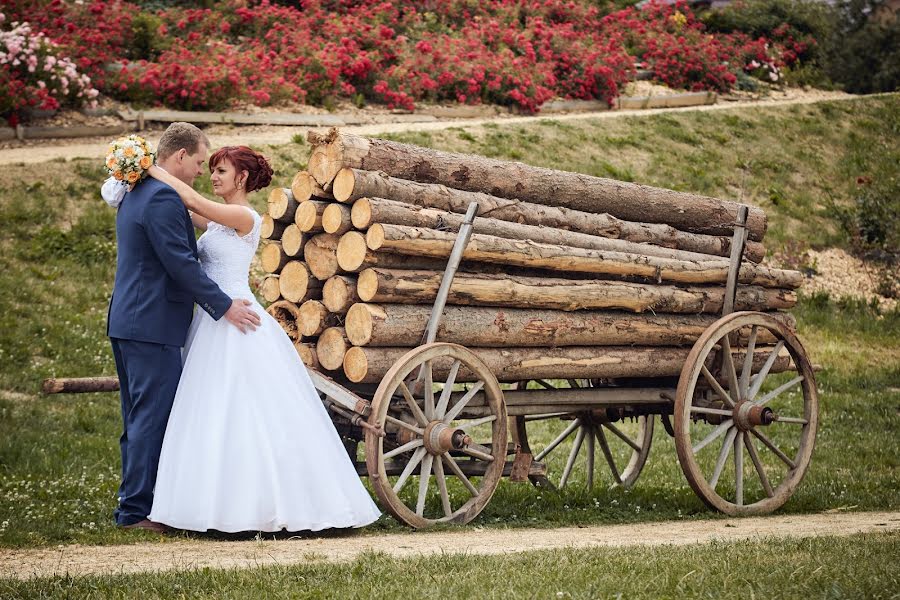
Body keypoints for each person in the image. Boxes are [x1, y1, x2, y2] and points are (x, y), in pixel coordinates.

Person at [145, 146, 380, 533]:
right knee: (213, 409)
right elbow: (176, 210)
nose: (213, 176)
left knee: (246, 408)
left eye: (221, 171)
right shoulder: (218, 222)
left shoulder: (243, 216)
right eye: (213, 170)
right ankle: (210, 504)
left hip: (238, 319)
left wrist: (146, 166)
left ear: (241, 178)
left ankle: (273, 505)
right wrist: (131, 187)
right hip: (213, 318)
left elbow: (188, 197)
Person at [107, 123, 261, 534]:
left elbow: (193, 221)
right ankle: (137, 512)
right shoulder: (160, 196)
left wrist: (144, 169)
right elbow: (180, 263)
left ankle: (138, 504)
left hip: (131, 319)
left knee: (139, 417)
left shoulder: (136, 191)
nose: (200, 172)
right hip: (153, 323)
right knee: (150, 418)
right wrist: (223, 305)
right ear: (178, 157)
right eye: (197, 162)